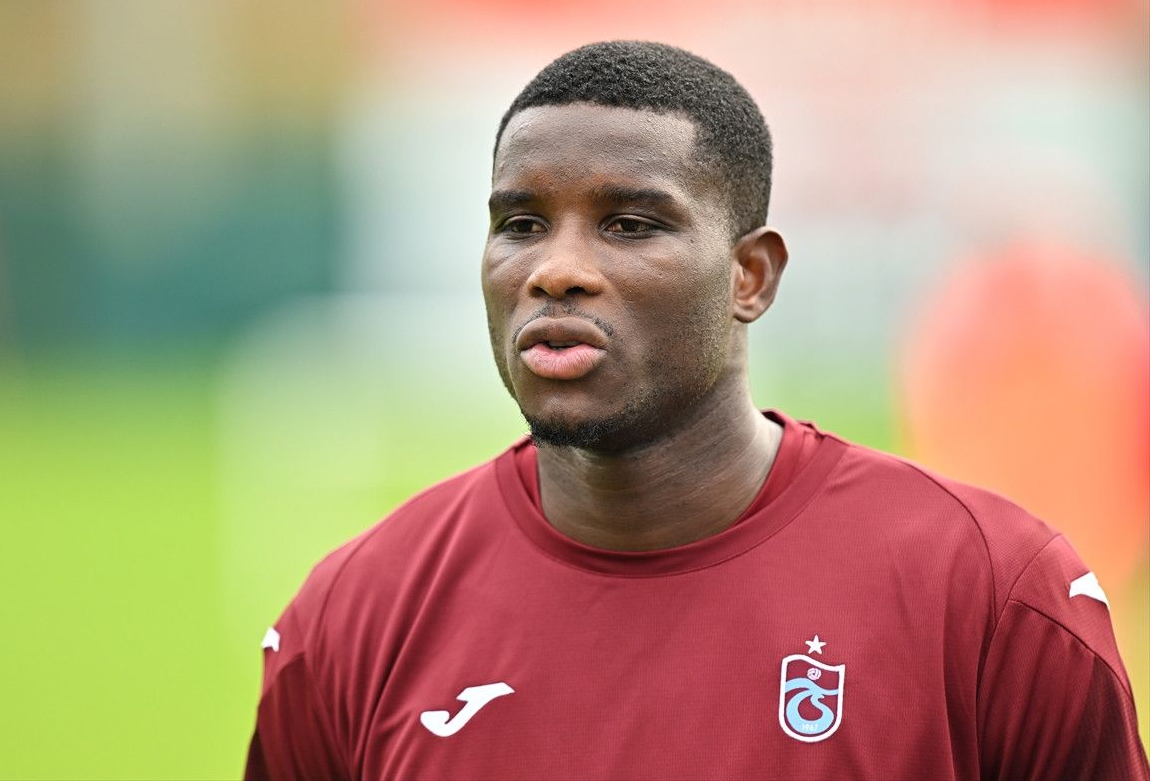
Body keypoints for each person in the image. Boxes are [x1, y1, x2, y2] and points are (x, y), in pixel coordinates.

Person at [245, 41, 1148, 780]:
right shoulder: (353, 618)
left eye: (630, 225)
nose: (555, 270)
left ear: (750, 276)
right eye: (520, 225)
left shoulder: (992, 595)